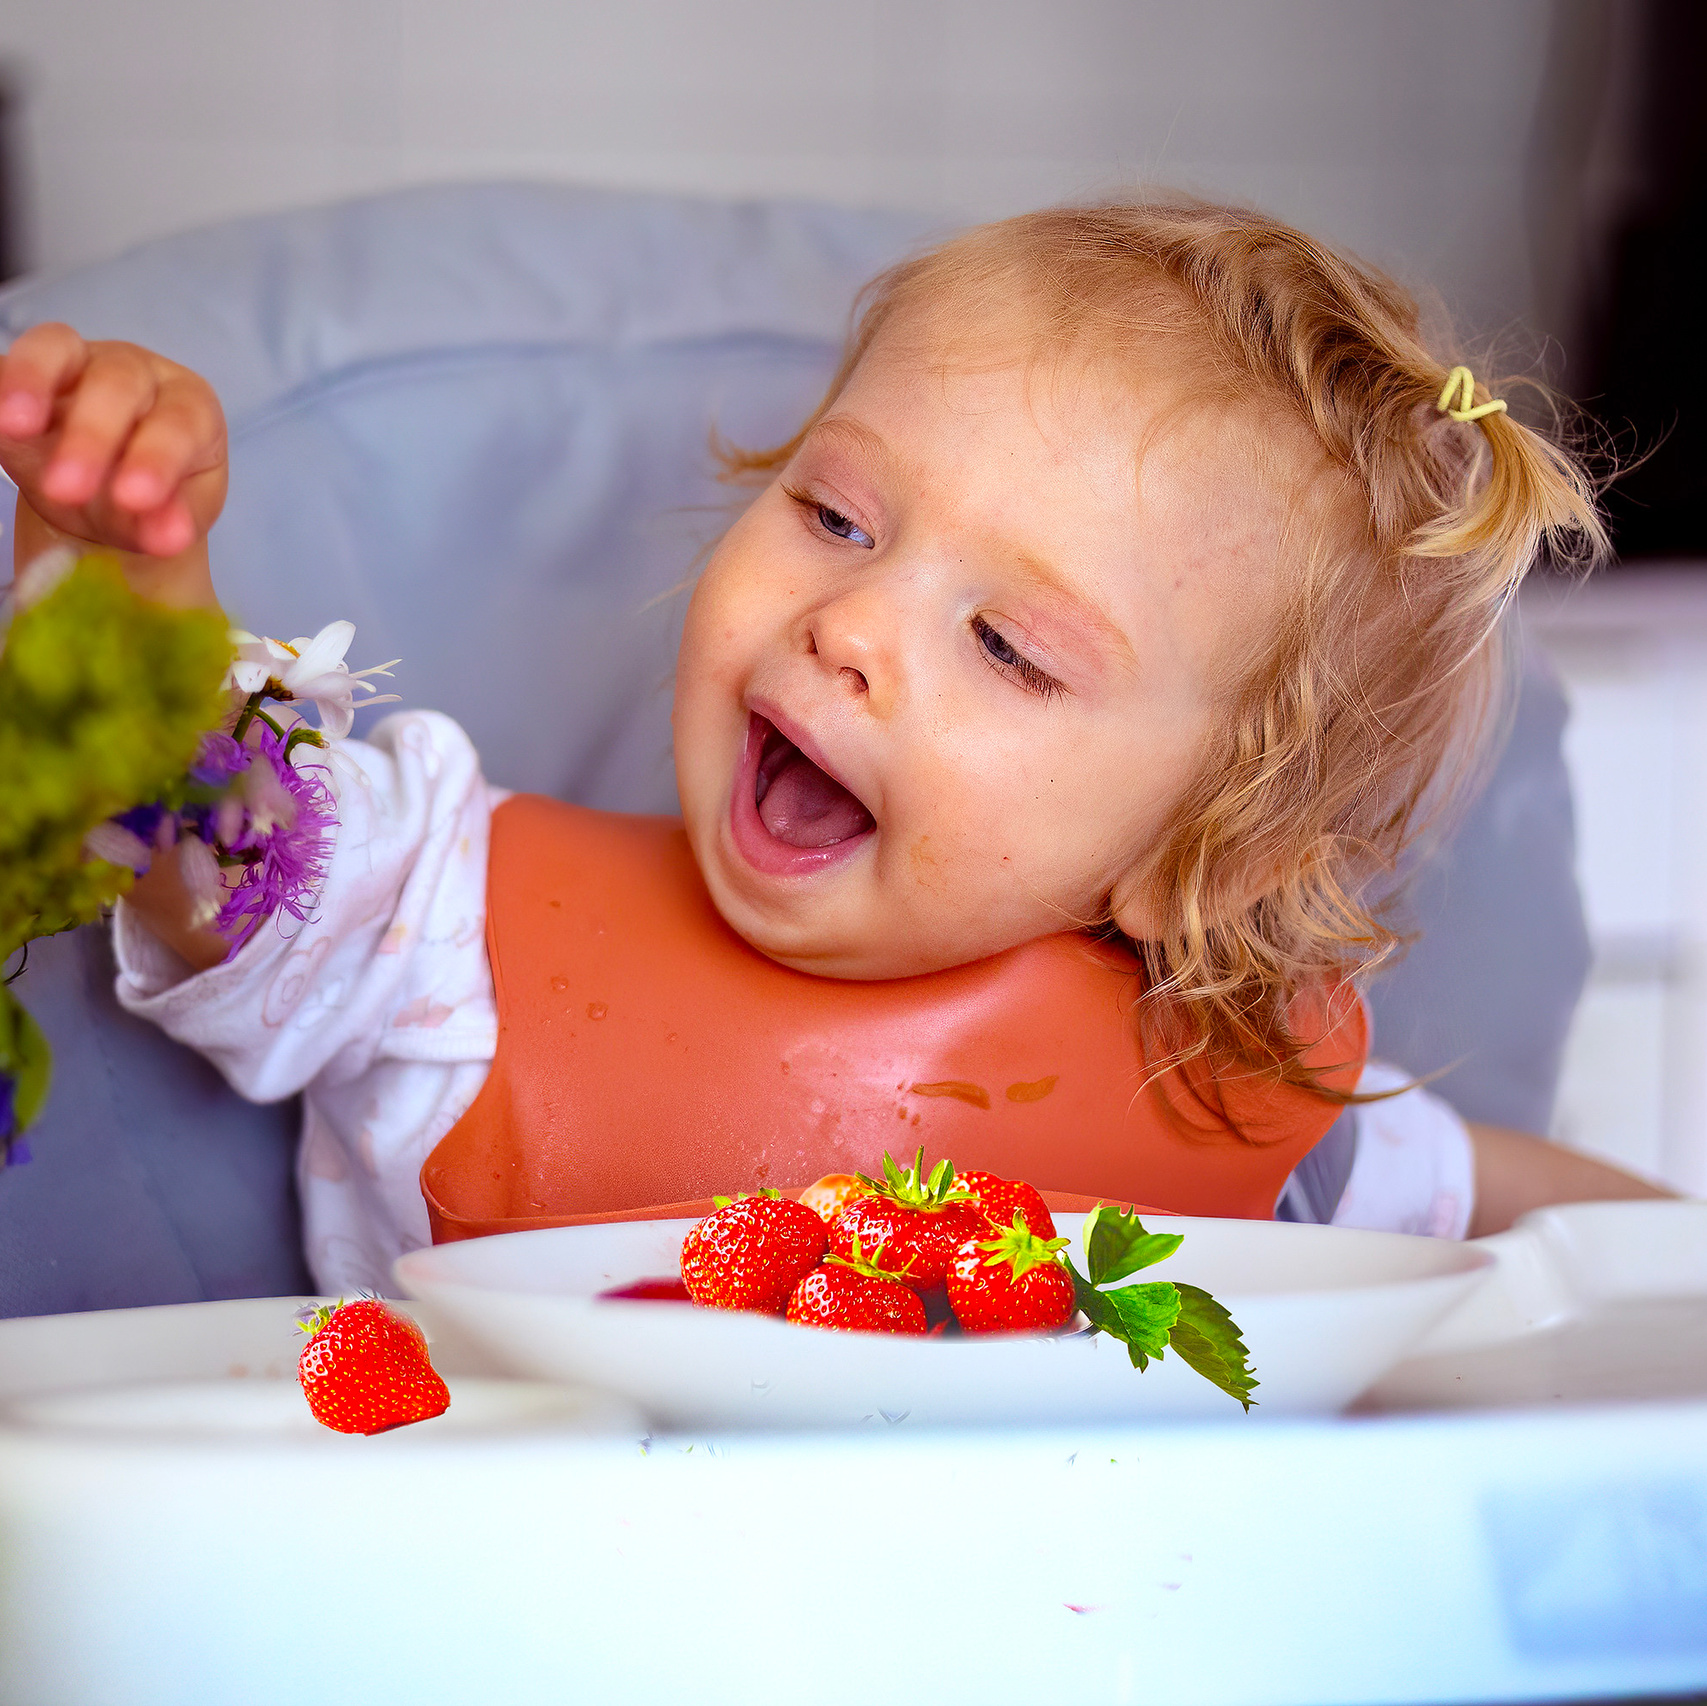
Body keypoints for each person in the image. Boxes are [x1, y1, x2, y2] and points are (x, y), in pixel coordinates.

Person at [0, 200, 1673, 1294]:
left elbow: (1535, 1219)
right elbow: (202, 852)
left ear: (1204, 862)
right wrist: (129, 589)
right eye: (834, 513)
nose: (849, 627)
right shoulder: (433, 920)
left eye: (1008, 645)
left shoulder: (1232, 1109)